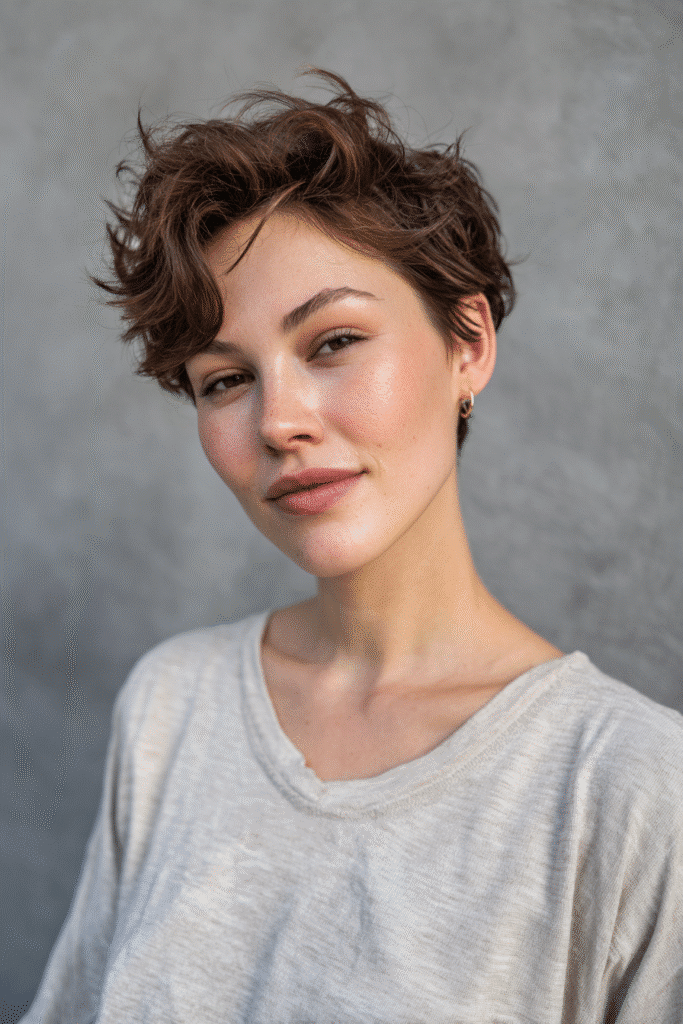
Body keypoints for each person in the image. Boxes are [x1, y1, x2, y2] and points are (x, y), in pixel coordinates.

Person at [21, 69, 682, 1024]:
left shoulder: (628, 790)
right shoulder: (173, 705)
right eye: (222, 380)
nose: (279, 421)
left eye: (331, 342)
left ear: (467, 345)